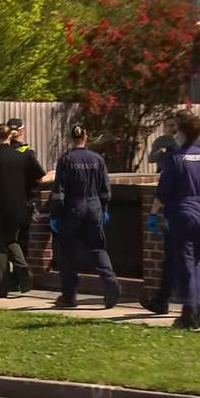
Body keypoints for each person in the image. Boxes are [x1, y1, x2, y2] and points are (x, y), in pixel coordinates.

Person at [141, 112, 200, 318]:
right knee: (197, 261)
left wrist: (153, 214)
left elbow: (163, 191)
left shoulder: (176, 156)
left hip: (183, 214)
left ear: (183, 131)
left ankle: (191, 310)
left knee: (187, 263)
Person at [0, 124, 55, 298]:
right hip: (18, 209)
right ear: (10, 137)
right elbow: (37, 179)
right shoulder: (22, 157)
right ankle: (23, 268)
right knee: (11, 241)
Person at [50, 125, 121, 309]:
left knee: (68, 253)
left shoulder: (65, 160)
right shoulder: (97, 159)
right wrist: (104, 208)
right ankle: (110, 281)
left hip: (73, 208)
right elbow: (106, 189)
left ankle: (69, 296)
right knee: (97, 248)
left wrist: (55, 215)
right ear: (86, 137)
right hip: (94, 207)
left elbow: (59, 191)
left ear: (70, 139)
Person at [6, 117, 38, 290]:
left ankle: (13, 276)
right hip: (25, 202)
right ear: (22, 131)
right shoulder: (27, 153)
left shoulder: (2, 152)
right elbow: (38, 178)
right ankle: (21, 275)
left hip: (7, 204)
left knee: (9, 240)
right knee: (22, 241)